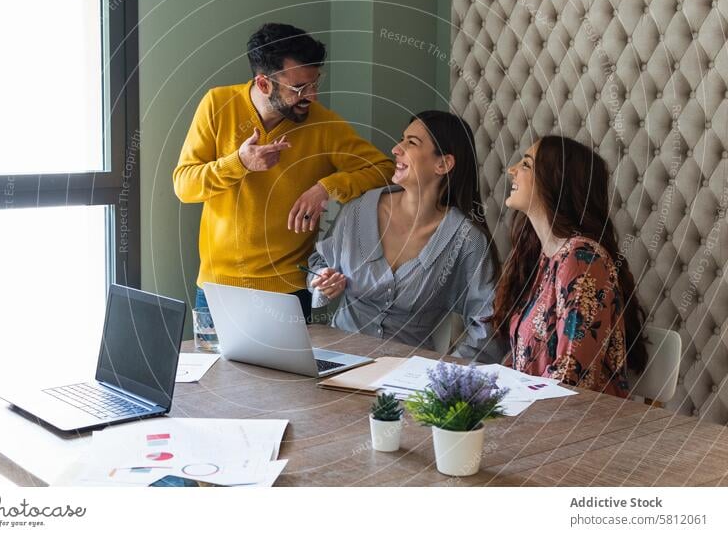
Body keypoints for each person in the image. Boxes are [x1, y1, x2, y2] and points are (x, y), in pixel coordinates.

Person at [173, 23, 395, 319]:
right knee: (216, 368)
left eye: (315, 83)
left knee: (288, 369)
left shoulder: (324, 125)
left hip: (288, 292)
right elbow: (184, 186)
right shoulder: (217, 104)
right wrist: (239, 163)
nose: (312, 96)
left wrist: (327, 188)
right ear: (264, 84)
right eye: (300, 88)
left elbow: (384, 169)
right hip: (218, 289)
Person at [308, 110, 506, 362]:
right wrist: (322, 282)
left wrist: (443, 375)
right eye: (402, 139)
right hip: (334, 361)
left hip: (408, 382)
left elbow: (488, 326)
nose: (395, 149)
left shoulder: (466, 239)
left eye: (411, 143)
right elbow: (318, 264)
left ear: (443, 164)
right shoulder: (358, 210)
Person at [491, 136, 648, 397]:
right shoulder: (547, 258)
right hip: (536, 414)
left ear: (555, 183)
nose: (512, 169)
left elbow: (572, 378)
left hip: (579, 426)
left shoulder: (583, 260)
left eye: (527, 165)